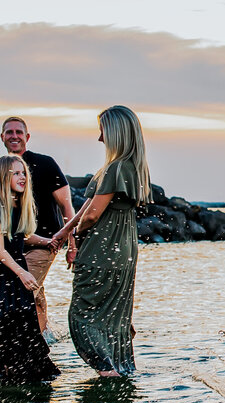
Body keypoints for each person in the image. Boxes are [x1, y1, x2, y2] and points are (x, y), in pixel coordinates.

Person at [51, 106, 151, 377]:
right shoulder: (132, 168)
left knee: (81, 316)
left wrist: (77, 236)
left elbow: (92, 215)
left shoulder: (115, 168)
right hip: (124, 250)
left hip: (102, 250)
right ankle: (121, 374)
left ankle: (108, 373)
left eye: (103, 131)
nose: (99, 138)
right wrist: (64, 232)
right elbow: (87, 207)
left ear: (117, 133)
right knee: (114, 317)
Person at [0, 117, 76, 339]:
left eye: (19, 132)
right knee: (34, 291)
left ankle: (24, 341)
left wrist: (72, 245)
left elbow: (66, 206)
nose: (14, 136)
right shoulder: (1, 168)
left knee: (23, 291)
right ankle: (44, 337)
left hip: (45, 242)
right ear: (2, 137)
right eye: (9, 132)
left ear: (27, 137)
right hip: (13, 245)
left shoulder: (45, 164)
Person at [0, 155, 61, 383]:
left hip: (14, 270)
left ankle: (29, 374)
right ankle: (8, 375)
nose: (22, 177)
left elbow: (21, 236)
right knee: (4, 324)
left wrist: (47, 242)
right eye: (16, 173)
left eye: (23, 173)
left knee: (24, 319)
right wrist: (23, 273)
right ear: (2, 177)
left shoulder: (17, 204)